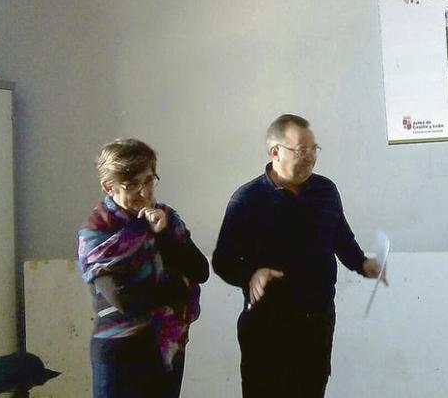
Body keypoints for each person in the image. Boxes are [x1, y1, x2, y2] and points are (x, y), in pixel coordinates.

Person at [211, 114, 386, 398]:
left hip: (317, 321)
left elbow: (341, 237)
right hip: (268, 328)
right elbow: (223, 260)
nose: (309, 158)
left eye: (313, 149)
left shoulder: (325, 190)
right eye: (301, 151)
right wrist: (252, 274)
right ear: (275, 152)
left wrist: (363, 264)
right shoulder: (247, 199)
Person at [77, 139, 209, 397]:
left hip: (166, 348)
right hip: (119, 353)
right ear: (108, 187)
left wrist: (163, 235)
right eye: (131, 185)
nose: (144, 192)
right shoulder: (97, 230)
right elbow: (125, 300)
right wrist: (179, 286)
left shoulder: (165, 218)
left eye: (149, 180)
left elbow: (200, 270)